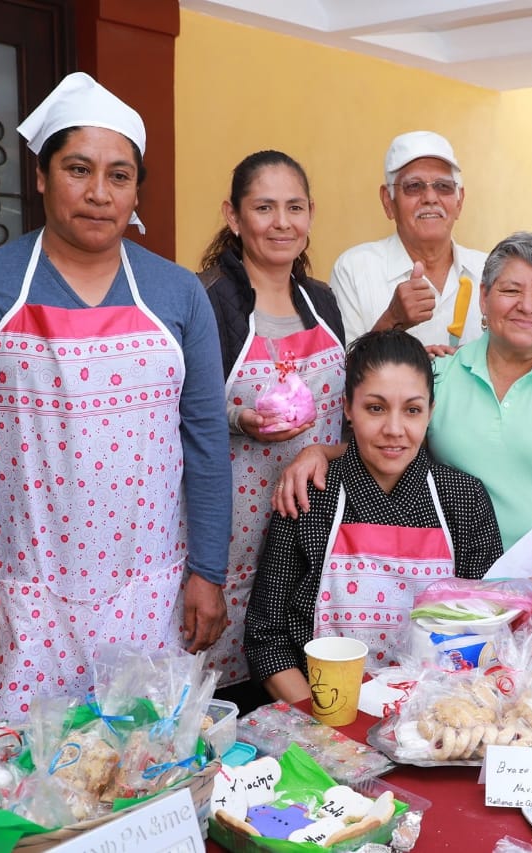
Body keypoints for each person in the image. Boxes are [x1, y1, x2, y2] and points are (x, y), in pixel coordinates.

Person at [0, 73, 232, 723]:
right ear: (41, 176)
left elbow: (206, 442)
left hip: (150, 589)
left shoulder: (178, 294)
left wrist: (208, 572)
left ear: (136, 190)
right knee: (26, 767)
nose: (99, 193)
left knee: (141, 758)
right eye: (78, 169)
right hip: (23, 594)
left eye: (119, 176)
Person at [276, 232, 532, 578]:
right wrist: (320, 453)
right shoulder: (443, 374)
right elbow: (392, 441)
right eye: (511, 290)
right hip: (452, 589)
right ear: (484, 297)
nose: (527, 306)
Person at [245, 330, 503, 701]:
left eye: (412, 410)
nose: (394, 430)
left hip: (437, 714)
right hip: (323, 714)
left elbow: (489, 628)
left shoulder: (463, 497)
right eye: (376, 408)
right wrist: (322, 725)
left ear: (430, 412)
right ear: (348, 408)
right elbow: (266, 638)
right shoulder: (309, 494)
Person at [197, 150, 346, 700]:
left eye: (294, 207)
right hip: (230, 535)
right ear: (233, 217)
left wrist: (322, 453)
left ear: (310, 214)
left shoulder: (322, 300)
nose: (282, 223)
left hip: (310, 529)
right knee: (227, 696)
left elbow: (347, 415)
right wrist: (239, 419)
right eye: (264, 208)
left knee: (305, 681)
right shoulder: (207, 300)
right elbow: (173, 410)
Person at [330, 131, 486, 347]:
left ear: (459, 201)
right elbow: (344, 366)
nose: (430, 198)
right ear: (388, 201)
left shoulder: (489, 271)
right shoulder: (354, 269)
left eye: (443, 186)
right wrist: (392, 320)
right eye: (414, 186)